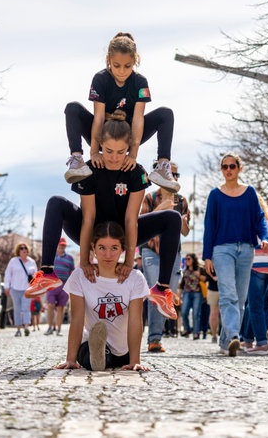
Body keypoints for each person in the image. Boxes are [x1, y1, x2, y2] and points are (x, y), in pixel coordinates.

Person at [25, 118, 182, 321]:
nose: (114, 158)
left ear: (130, 149)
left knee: (172, 218)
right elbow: (88, 218)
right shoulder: (89, 169)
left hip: (124, 231)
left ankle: (161, 290)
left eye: (120, 152)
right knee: (56, 202)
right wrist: (84, 262)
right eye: (108, 151)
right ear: (99, 145)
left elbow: (131, 220)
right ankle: (47, 272)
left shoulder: (136, 172)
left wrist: (128, 262)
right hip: (91, 230)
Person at [63, 32, 180, 193]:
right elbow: (98, 118)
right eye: (116, 65)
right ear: (108, 60)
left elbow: (138, 120)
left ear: (135, 61)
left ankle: (162, 166)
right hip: (103, 134)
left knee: (166, 114)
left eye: (128, 66)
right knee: (72, 108)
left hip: (129, 135)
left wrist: (132, 155)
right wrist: (94, 152)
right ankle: (76, 160)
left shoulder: (140, 82)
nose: (122, 71)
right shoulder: (100, 79)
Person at [55, 221, 150, 371]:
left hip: (124, 350)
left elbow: (135, 321)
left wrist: (135, 361)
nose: (108, 255)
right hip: (89, 345)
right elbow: (77, 319)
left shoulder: (135, 277)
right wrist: (70, 359)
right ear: (93, 247)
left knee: (116, 357)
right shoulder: (80, 276)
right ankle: (99, 357)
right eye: (102, 248)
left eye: (114, 248)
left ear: (122, 249)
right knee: (90, 356)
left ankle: (103, 358)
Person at [203, 153, 268, 357]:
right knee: (228, 293)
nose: (228, 169)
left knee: (240, 299)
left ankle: (226, 343)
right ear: (221, 170)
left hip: (246, 249)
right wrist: (207, 256)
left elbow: (260, 218)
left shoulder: (250, 192)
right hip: (222, 249)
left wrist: (264, 237)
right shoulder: (215, 195)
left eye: (232, 166)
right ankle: (234, 335)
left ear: (239, 168)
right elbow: (209, 226)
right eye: (224, 166)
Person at [140, 162, 190, 352]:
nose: (174, 178)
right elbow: (142, 223)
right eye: (171, 174)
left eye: (177, 175)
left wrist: (183, 223)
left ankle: (156, 337)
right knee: (156, 292)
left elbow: (185, 232)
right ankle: (154, 339)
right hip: (151, 250)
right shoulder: (150, 197)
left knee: (165, 293)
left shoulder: (182, 201)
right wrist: (162, 207)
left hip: (173, 254)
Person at [240, 194, 268, 355]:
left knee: (255, 305)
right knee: (255, 303)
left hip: (256, 265)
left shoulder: (252, 219)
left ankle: (262, 343)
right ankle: (247, 340)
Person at [4, 243, 37, 337]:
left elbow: (36, 276)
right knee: (17, 309)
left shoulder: (32, 262)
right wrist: (7, 286)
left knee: (26, 308)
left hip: (27, 289)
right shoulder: (13, 261)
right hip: (15, 288)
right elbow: (8, 274)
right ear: (18, 250)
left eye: (25, 248)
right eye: (21, 248)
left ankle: (26, 327)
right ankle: (18, 329)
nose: (24, 249)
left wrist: (35, 289)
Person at [44, 237, 75, 336]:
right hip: (52, 284)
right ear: (57, 245)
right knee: (50, 305)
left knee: (61, 307)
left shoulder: (70, 258)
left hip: (64, 285)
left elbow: (71, 272)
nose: (61, 247)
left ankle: (58, 329)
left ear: (65, 246)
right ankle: (50, 327)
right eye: (60, 245)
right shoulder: (51, 256)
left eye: (63, 245)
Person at [178, 253, 206, 340]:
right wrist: (178, 296)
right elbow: (182, 284)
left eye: (188, 259)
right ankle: (187, 329)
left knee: (195, 314)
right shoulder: (185, 270)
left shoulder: (200, 269)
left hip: (197, 293)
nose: (186, 261)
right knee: (184, 312)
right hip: (186, 293)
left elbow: (205, 279)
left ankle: (196, 333)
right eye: (186, 259)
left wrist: (199, 275)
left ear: (193, 260)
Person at [206, 272, 220, 343]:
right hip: (213, 289)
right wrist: (213, 276)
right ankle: (214, 335)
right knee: (213, 313)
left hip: (225, 288)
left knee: (226, 313)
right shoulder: (211, 260)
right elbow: (206, 270)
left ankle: (228, 336)